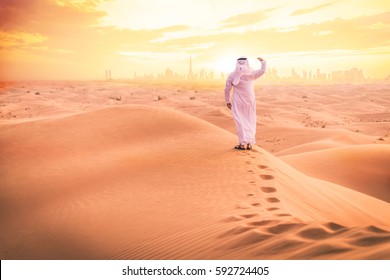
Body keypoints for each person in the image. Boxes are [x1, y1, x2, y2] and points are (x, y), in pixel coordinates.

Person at [224, 56, 267, 150]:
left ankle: (242, 143)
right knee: (250, 120)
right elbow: (263, 71)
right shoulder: (252, 74)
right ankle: (249, 143)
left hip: (238, 101)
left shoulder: (232, 75)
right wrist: (263, 62)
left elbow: (227, 89)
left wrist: (227, 101)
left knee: (240, 122)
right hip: (249, 101)